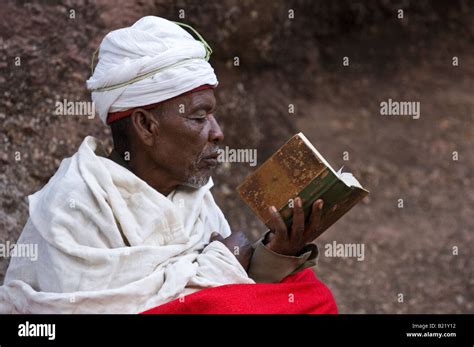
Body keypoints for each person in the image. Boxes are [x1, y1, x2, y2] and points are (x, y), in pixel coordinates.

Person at [0, 16, 336, 314]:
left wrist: (278, 252)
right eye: (199, 117)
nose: (217, 132)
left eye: (213, 115)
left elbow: (231, 288)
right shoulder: (73, 207)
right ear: (146, 126)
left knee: (309, 294)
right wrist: (221, 266)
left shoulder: (194, 195)